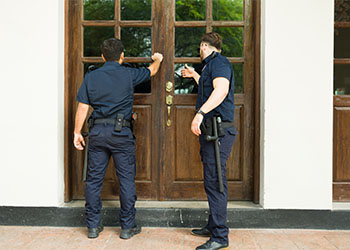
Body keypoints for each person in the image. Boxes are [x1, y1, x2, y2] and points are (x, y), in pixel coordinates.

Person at [73, 38, 163, 239]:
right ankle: (127, 227)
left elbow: (83, 107)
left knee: (93, 181)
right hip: (121, 133)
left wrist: (77, 132)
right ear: (122, 56)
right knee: (126, 180)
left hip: (97, 133)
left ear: (102, 56)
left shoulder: (92, 77)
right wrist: (158, 59)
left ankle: (93, 227)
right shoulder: (128, 74)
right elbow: (153, 71)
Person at [182, 32, 236, 250]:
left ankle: (220, 236)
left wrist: (200, 113)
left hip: (219, 132)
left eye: (200, 47)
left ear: (205, 45)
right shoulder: (210, 67)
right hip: (212, 132)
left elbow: (221, 90)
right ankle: (214, 225)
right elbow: (211, 86)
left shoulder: (220, 63)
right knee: (211, 179)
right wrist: (195, 75)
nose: (199, 50)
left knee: (216, 182)